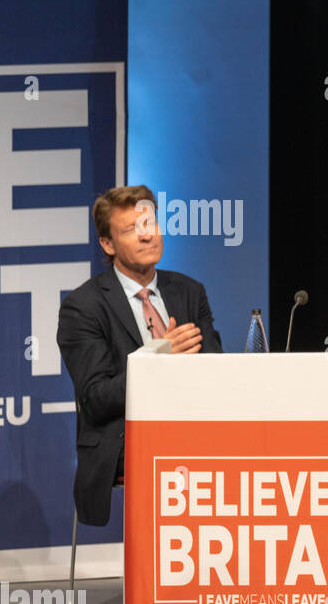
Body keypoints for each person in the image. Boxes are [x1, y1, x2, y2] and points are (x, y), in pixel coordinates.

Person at [57, 185, 222, 527]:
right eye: (132, 230)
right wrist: (159, 358)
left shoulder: (190, 291)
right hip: (124, 441)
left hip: (193, 429)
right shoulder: (84, 306)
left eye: (151, 224)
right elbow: (97, 399)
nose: (147, 237)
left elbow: (215, 368)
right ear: (107, 244)